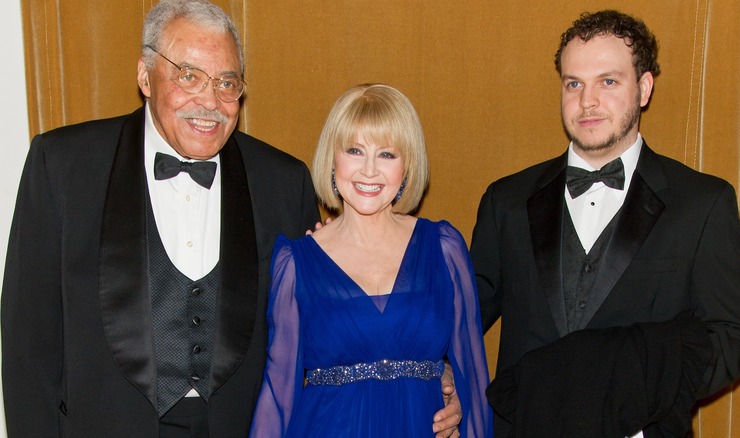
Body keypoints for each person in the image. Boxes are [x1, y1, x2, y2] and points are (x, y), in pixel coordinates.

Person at [1, 1, 461, 437]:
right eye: (189, 76)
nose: (211, 100)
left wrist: (430, 375)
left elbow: (324, 331)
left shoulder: (282, 181)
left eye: (227, 82)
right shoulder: (63, 166)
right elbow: (28, 346)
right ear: (145, 75)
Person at [470, 10, 740, 438]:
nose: (587, 101)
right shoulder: (506, 200)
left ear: (643, 88)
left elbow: (737, 338)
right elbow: (459, 317)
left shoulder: (703, 203)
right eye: (574, 83)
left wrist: (639, 393)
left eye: (608, 81)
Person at [249, 83, 492, 437]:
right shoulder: (295, 262)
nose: (369, 171)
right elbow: (278, 391)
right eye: (354, 150)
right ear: (332, 159)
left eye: (387, 154)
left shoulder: (444, 248)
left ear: (407, 165)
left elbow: (473, 378)